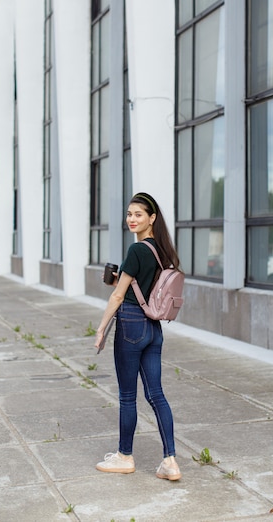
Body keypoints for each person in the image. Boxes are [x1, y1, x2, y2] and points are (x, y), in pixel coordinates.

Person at [94, 192, 182, 481]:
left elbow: (119, 295)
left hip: (131, 323)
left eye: (138, 215)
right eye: (129, 214)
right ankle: (170, 461)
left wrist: (101, 327)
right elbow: (144, 285)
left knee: (128, 396)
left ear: (151, 218)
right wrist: (123, 278)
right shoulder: (164, 250)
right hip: (154, 328)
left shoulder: (136, 251)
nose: (132, 219)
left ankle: (124, 456)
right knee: (156, 394)